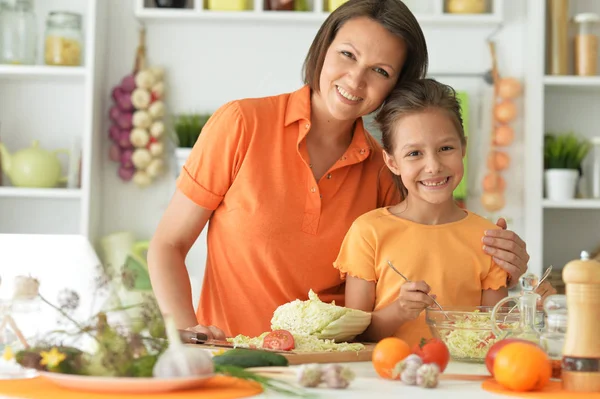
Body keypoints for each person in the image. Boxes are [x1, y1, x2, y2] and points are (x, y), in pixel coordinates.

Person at [147, 0, 532, 341]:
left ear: (395, 87)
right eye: (347, 54)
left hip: (336, 368)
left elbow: (429, 255)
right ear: (323, 48)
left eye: (380, 71)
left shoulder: (385, 168)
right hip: (234, 356)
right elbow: (168, 245)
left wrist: (501, 264)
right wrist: (188, 335)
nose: (355, 79)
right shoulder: (241, 124)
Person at [334, 79, 511, 346]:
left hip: (461, 382)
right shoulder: (368, 232)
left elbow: (494, 334)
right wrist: (399, 311)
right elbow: (354, 336)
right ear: (392, 162)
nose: (433, 166)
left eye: (446, 148)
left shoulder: (489, 238)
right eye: (415, 153)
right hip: (386, 379)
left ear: (463, 147)